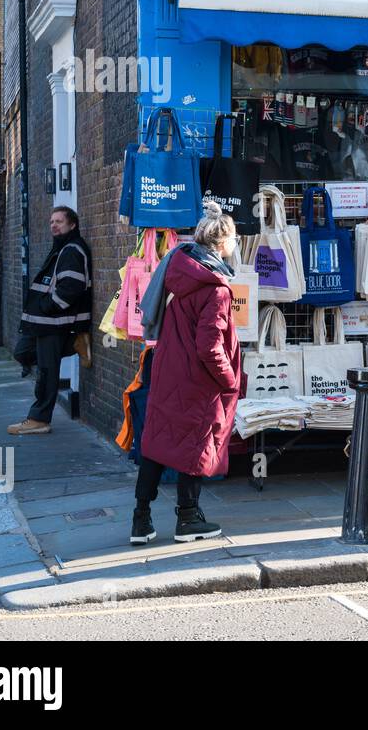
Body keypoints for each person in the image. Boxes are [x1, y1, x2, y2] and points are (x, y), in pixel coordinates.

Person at [130, 201, 243, 545]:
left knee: (157, 441)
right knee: (196, 445)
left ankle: (140, 522)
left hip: (168, 370)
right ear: (223, 244)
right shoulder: (216, 288)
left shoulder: (179, 270)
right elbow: (210, 346)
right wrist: (230, 379)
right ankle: (189, 518)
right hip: (198, 381)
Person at [11, 207, 92, 436]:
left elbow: (70, 288)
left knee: (47, 371)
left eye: (59, 221)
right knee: (23, 352)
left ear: (72, 225)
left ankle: (39, 419)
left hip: (54, 323)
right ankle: (74, 345)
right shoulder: (62, 248)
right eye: (51, 222)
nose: (54, 225)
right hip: (43, 324)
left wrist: (48, 306)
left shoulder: (72, 250)